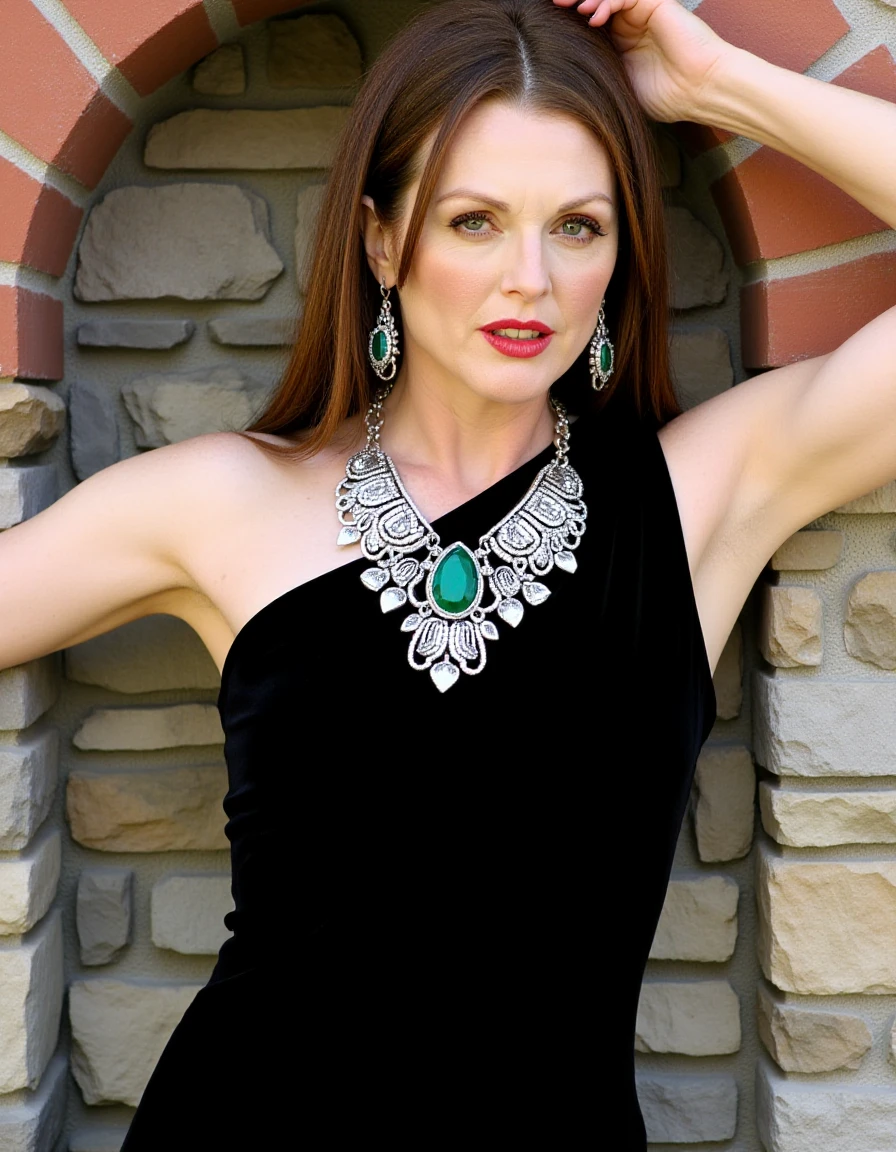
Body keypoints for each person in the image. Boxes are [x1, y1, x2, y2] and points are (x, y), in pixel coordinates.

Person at [1, 0, 893, 1146]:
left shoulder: (692, 502)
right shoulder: (221, 503)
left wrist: (719, 84)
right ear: (381, 242)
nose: (527, 278)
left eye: (576, 227)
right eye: (473, 222)